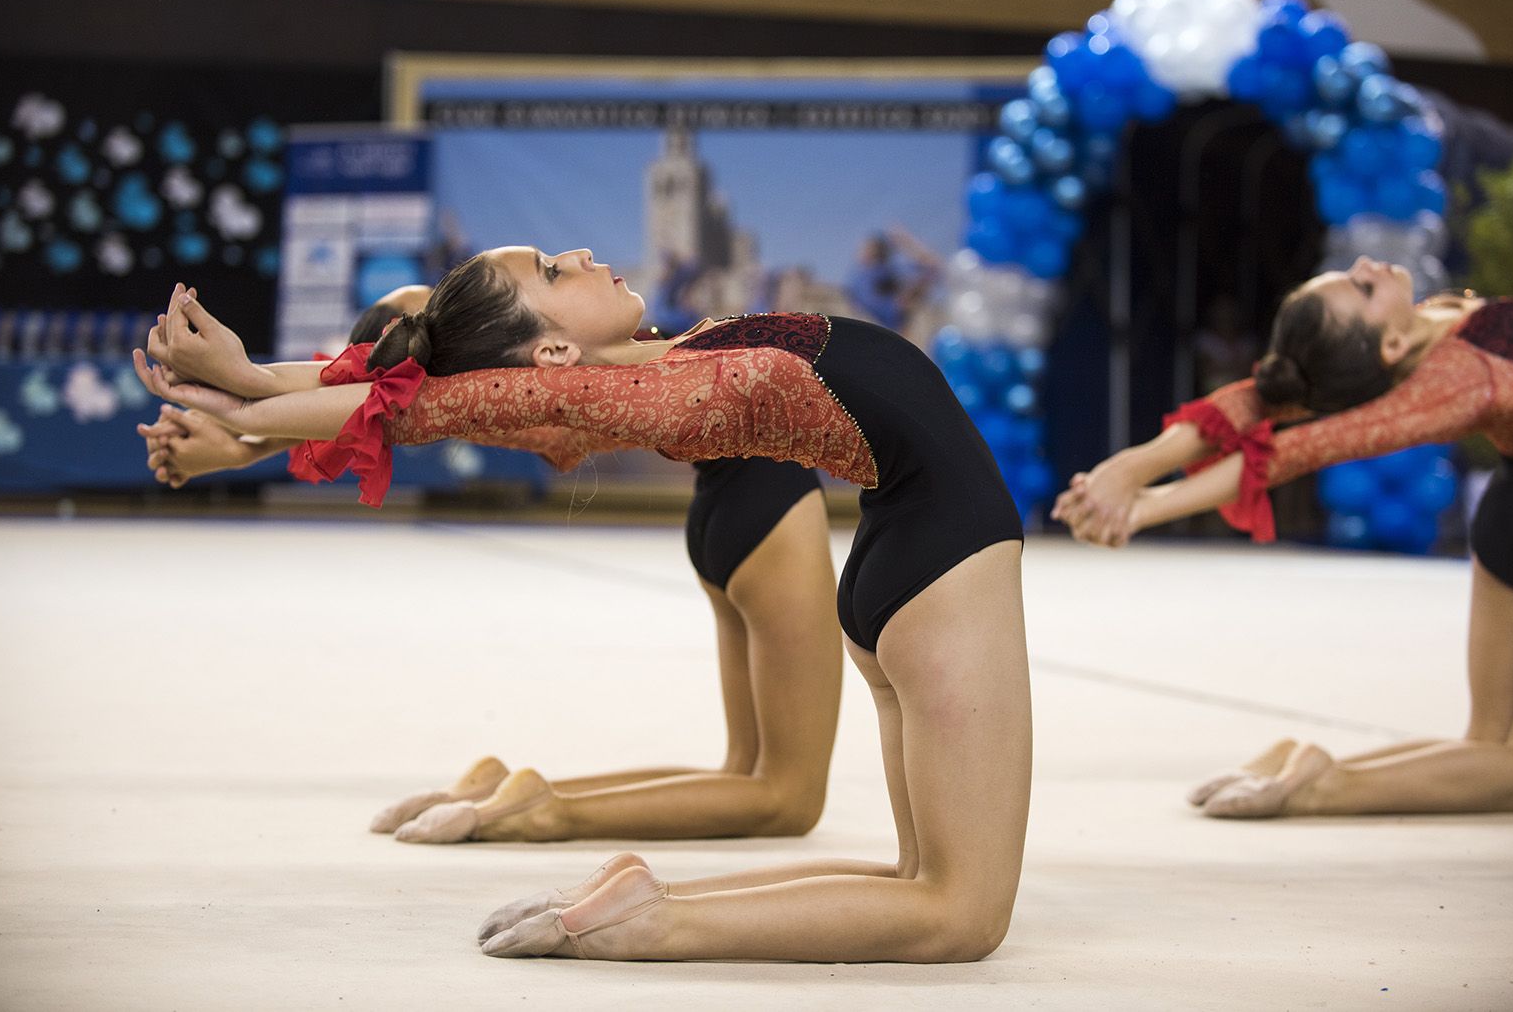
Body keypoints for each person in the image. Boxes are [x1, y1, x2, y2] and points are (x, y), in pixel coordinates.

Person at [133, 247, 1032, 963]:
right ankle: (655, 927)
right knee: (956, 917)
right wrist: (248, 394)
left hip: (902, 561)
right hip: (938, 561)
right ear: (556, 350)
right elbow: (434, 404)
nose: (581, 253)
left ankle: (650, 901)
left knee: (918, 878)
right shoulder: (670, 387)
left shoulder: (667, 357)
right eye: (555, 273)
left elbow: (434, 387)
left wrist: (258, 396)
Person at [137, 287, 843, 845]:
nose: (578, 263)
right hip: (769, 504)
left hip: (723, 519)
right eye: (553, 267)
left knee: (745, 777)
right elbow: (406, 396)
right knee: (785, 798)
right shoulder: (555, 350)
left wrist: (249, 430)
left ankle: (507, 791)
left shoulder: (547, 358)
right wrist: (246, 418)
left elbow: (403, 396)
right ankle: (539, 811)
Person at [1053, 257, 1513, 819]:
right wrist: (1136, 497)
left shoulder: (1410, 347)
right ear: (1392, 344)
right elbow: (1293, 445)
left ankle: (1301, 764)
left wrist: (1135, 480)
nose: (1368, 264)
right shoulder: (1455, 375)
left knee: (1490, 748)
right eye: (1363, 287)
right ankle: (1322, 786)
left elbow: (1256, 402)